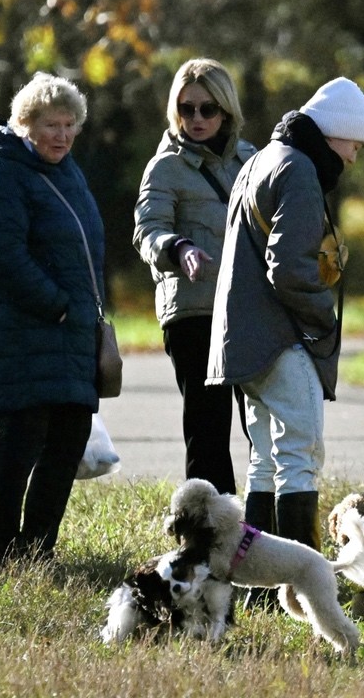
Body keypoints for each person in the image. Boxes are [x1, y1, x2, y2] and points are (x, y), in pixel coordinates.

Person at [206, 76, 364, 558]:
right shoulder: (299, 169)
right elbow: (289, 269)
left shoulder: (263, 159)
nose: (354, 156)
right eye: (354, 143)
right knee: (300, 457)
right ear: (333, 132)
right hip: (278, 337)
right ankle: (302, 585)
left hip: (239, 339)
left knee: (264, 461)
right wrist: (324, 317)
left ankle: (261, 584)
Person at [0, 72, 106, 565]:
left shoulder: (68, 169)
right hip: (24, 329)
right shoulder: (3, 170)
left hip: (71, 333)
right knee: (22, 440)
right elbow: (3, 257)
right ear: (25, 123)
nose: (63, 135)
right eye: (52, 124)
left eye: (70, 125)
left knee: (68, 441)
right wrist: (60, 303)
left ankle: (37, 551)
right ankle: (2, 550)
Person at [133, 58, 256, 496]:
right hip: (194, 312)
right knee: (207, 436)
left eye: (207, 109)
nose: (197, 119)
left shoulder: (252, 160)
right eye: (186, 109)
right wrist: (178, 248)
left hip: (247, 312)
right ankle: (206, 541)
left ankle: (263, 536)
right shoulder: (165, 167)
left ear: (226, 110)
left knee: (262, 430)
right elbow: (146, 229)